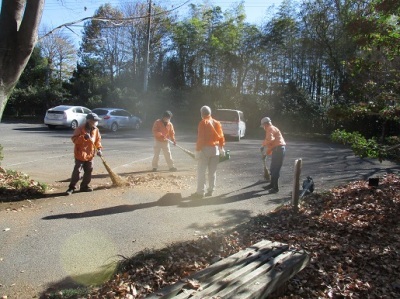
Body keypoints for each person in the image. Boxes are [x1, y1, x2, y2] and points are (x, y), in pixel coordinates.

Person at [191, 106, 225, 198]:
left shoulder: (203, 123)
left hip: (205, 149)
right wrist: (221, 148)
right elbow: (221, 136)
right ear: (210, 113)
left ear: (202, 114)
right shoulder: (217, 123)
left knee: (201, 171)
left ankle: (200, 192)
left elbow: (201, 138)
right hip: (216, 150)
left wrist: (197, 150)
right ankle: (211, 190)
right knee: (212, 172)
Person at [66, 113, 103, 195]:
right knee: (77, 171)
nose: (96, 122)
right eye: (95, 120)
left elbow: (98, 141)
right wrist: (84, 138)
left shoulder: (96, 130)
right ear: (89, 121)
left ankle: (84, 186)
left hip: (90, 154)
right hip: (80, 154)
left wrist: (99, 149)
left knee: (89, 170)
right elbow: (74, 140)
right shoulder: (80, 128)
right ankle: (71, 188)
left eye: (96, 120)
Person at [260, 117, 286, 193]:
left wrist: (263, 145)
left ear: (265, 124)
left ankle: (276, 188)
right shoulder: (272, 128)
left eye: (263, 125)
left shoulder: (270, 129)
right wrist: (266, 153)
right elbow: (272, 145)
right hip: (277, 149)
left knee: (276, 168)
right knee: (273, 168)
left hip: (279, 150)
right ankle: (272, 184)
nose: (263, 127)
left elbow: (270, 140)